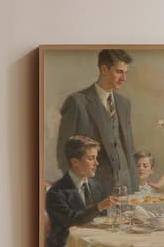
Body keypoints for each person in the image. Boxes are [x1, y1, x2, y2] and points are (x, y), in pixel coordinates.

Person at [56, 49, 138, 195]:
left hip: (126, 188)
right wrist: (78, 189)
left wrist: (134, 186)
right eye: (119, 72)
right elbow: (63, 152)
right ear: (104, 69)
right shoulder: (77, 101)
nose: (124, 78)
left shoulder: (124, 104)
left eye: (126, 73)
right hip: (93, 190)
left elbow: (129, 150)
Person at [44, 135, 118, 247]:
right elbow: (73, 220)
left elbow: (105, 219)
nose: (97, 163)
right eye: (91, 158)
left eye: (96, 158)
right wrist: (99, 206)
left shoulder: (97, 186)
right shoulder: (56, 192)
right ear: (74, 162)